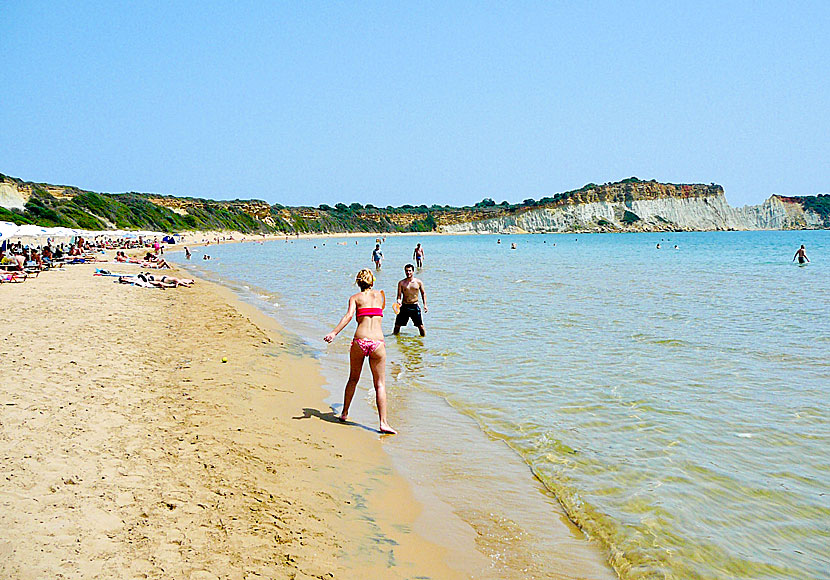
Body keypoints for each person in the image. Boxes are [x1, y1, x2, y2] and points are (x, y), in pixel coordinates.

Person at [324, 269, 396, 434]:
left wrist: (334, 333)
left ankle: (344, 413)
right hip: (377, 343)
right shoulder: (380, 295)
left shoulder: (354, 298)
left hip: (360, 341)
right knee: (380, 384)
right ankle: (383, 422)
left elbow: (349, 316)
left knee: (353, 379)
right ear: (372, 281)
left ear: (358, 282)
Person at [394, 264, 428, 336]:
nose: (408, 272)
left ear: (413, 271)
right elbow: (399, 296)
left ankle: (423, 341)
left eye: (410, 271)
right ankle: (395, 340)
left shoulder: (418, 282)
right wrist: (398, 301)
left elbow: (423, 293)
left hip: (414, 306)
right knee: (397, 326)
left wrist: (425, 305)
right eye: (406, 271)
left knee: (420, 326)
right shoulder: (401, 283)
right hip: (404, 306)